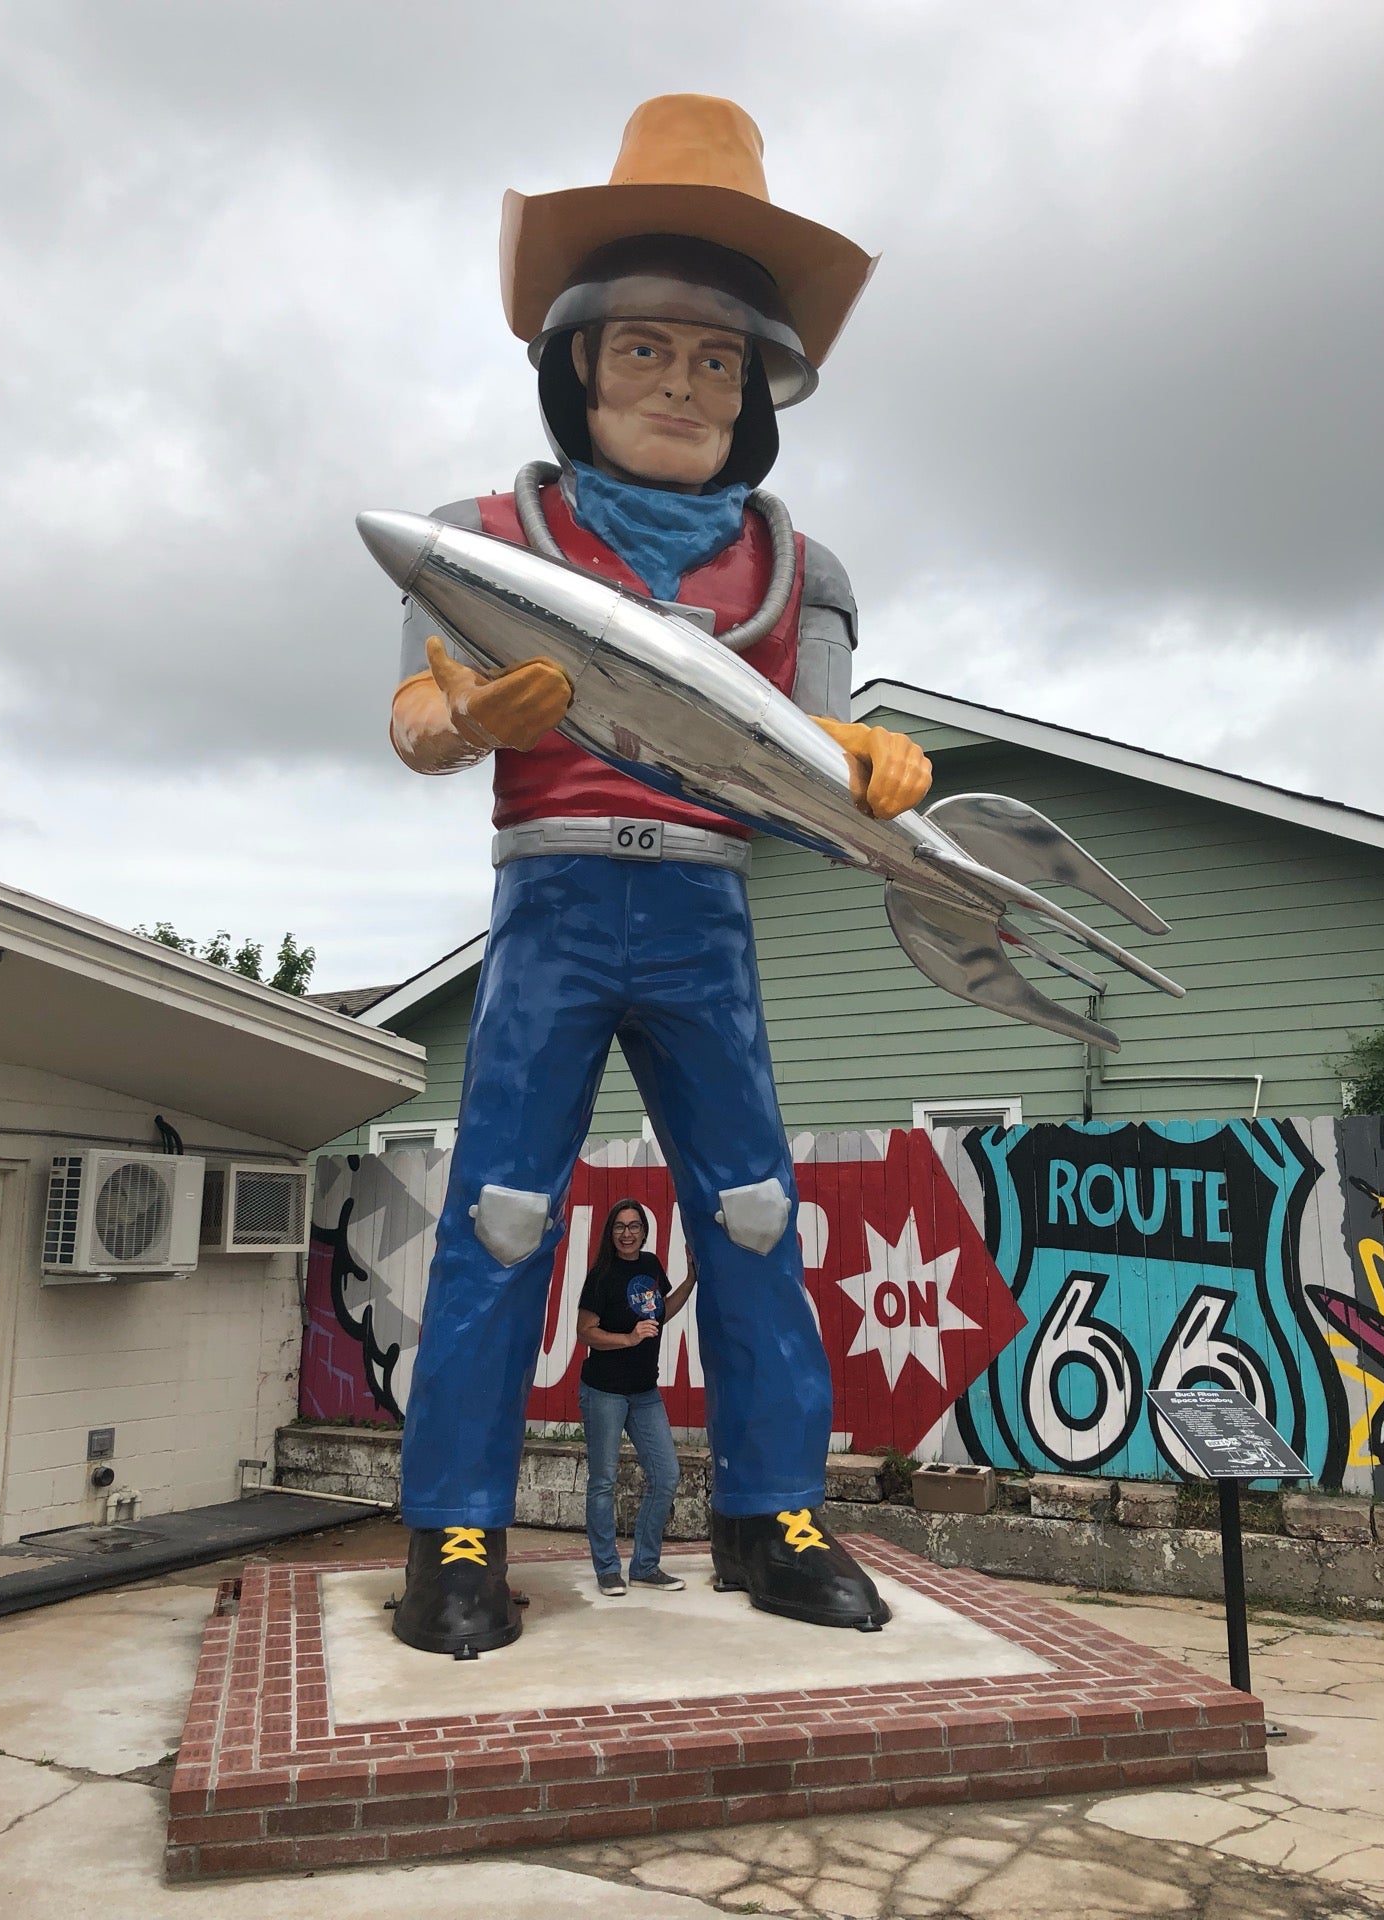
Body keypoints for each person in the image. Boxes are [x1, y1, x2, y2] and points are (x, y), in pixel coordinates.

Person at [388, 93, 932, 1660]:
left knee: (755, 1212)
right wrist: (469, 717)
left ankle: (774, 1508)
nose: (684, 384)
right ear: (578, 361)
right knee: (499, 1215)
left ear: (760, 387)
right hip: (551, 905)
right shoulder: (480, 539)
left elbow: (824, 743)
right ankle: (459, 1528)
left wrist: (871, 766)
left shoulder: (797, 571)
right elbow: (417, 719)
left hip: (705, 909)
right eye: (647, 349)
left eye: (717, 358)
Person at [577, 1198, 697, 1596]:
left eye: (634, 1226)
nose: (627, 1233)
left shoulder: (650, 1267)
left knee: (666, 1475)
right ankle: (608, 1569)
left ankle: (645, 1565)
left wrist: (691, 1280)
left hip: (645, 1390)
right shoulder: (601, 1276)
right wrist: (628, 1338)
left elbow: (661, 1311)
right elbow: (586, 1332)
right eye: (619, 1227)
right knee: (603, 1481)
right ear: (610, 1234)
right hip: (604, 1392)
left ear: (645, 1231)